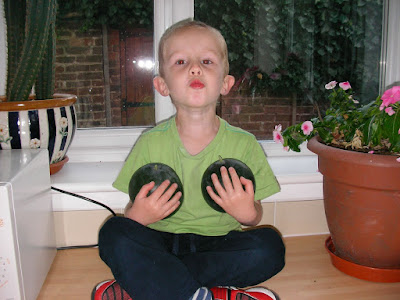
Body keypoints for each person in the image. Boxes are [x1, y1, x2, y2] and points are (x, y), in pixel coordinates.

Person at [92, 19, 285, 300]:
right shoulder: (150, 142)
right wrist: (138, 216)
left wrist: (247, 214)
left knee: (269, 247)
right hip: (158, 241)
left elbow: (254, 217)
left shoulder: (245, 144)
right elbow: (132, 216)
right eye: (181, 62)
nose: (195, 68)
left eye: (207, 61)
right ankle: (201, 294)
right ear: (162, 85)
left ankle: (151, 284)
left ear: (226, 83)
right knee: (113, 233)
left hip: (219, 244)